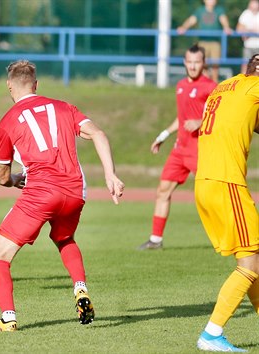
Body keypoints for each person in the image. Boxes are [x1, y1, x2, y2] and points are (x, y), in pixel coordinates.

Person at [0, 60, 125, 331]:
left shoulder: (6, 123)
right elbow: (98, 134)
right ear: (36, 85)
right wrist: (111, 175)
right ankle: (80, 288)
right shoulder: (64, 107)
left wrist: (15, 179)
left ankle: (8, 318)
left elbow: (3, 178)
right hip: (75, 191)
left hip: (40, 193)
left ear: (9, 86)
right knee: (64, 238)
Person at [194, 55, 259, 352]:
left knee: (253, 257)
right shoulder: (255, 88)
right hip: (227, 183)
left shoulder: (224, 86)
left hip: (205, 182)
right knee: (250, 263)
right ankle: (212, 333)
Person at [138, 44, 217, 250]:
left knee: (213, 195)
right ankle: (156, 239)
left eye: (197, 62)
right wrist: (163, 135)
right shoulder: (181, 85)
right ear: (184, 62)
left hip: (200, 149)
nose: (192, 66)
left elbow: (220, 115)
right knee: (162, 190)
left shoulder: (211, 87)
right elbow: (180, 118)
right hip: (179, 149)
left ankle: (236, 235)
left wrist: (201, 121)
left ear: (204, 63)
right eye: (189, 62)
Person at [177, 0, 233, 82]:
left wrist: (226, 27)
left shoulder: (219, 10)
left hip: (215, 42)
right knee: (202, 65)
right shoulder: (200, 10)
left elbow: (223, 20)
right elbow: (192, 20)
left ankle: (214, 85)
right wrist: (183, 27)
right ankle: (205, 83)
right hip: (203, 41)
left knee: (215, 65)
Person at [237, 0, 259, 74]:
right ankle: (243, 84)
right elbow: (239, 29)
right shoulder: (246, 13)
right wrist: (250, 31)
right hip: (248, 45)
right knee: (245, 66)